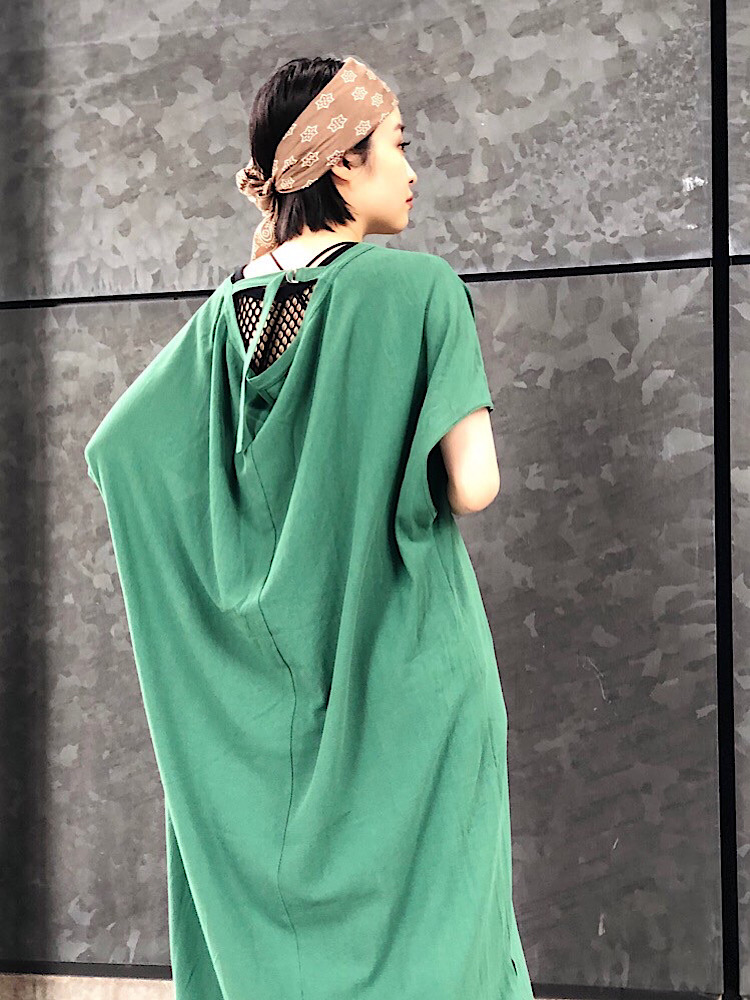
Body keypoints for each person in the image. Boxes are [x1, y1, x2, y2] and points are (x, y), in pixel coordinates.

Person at [84, 53, 533, 1000]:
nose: (412, 170)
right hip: (414, 681)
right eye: (397, 145)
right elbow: (473, 486)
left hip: (269, 710)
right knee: (444, 941)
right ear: (341, 162)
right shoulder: (419, 291)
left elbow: (120, 451)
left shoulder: (225, 318)